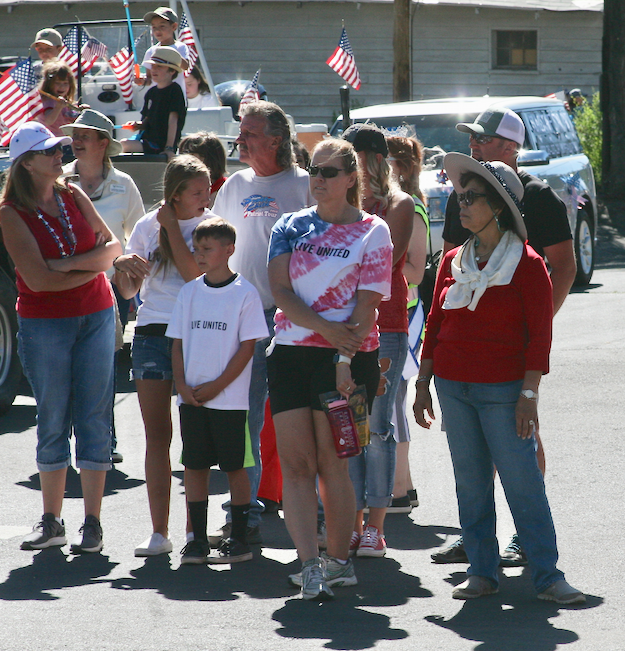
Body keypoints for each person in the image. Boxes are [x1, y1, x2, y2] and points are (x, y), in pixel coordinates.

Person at [413, 152, 585, 605]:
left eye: (471, 197)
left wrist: (530, 392)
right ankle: (482, 571)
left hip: (504, 391)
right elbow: (435, 323)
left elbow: (539, 336)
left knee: (522, 481)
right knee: (470, 483)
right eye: (459, 196)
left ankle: (548, 576)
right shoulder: (453, 258)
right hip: (454, 388)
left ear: (500, 206)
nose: (460, 204)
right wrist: (422, 383)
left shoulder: (528, 264)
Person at [267, 137, 393, 599]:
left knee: (332, 466)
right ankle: (309, 564)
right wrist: (324, 328)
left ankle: (340, 562)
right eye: (313, 171)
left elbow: (369, 304)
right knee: (297, 466)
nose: (318, 180)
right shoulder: (289, 225)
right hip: (292, 353)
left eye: (329, 172)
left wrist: (342, 356)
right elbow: (280, 291)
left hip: (347, 358)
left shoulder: (373, 230)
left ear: (351, 177)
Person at [0, 122, 121, 554]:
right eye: (49, 150)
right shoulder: (10, 213)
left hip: (97, 316)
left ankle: (92, 523)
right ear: (26, 163)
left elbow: (114, 247)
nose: (59, 153)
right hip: (45, 323)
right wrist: (91, 266)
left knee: (93, 417)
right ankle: (52, 521)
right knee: (52, 419)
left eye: (58, 148)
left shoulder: (71, 193)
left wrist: (67, 265)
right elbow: (38, 282)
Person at [209, 101, 311, 547]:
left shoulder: (307, 185)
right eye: (241, 132)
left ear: (275, 139)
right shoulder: (233, 185)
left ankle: (318, 515)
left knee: (303, 418)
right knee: (243, 419)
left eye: (249, 133)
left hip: (296, 320)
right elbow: (212, 246)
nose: (240, 139)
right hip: (243, 318)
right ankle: (243, 513)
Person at [113, 154, 213, 557]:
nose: (207, 197)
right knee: (157, 436)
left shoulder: (210, 225)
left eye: (207, 189)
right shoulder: (144, 226)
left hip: (198, 334)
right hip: (153, 331)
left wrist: (171, 226)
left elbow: (198, 279)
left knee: (195, 436)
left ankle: (195, 531)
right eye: (198, 191)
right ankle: (159, 531)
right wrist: (123, 265)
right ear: (175, 193)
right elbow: (127, 292)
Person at [167, 217, 268, 564]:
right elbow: (177, 343)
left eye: (207, 249)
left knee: (234, 468)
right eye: (197, 248)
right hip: (191, 399)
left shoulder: (246, 293)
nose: (200, 255)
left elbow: (247, 348)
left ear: (229, 251)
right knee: (194, 467)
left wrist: (218, 386)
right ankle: (196, 540)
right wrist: (182, 385)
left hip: (230, 402)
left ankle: (238, 539)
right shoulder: (189, 291)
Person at [341, 123, 414, 558]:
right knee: (347, 426)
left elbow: (388, 263)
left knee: (380, 427)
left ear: (370, 158)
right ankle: (350, 523)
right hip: (342, 324)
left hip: (385, 324)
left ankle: (376, 527)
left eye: (350, 155)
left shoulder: (398, 205)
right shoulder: (339, 205)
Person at [61, 109, 145, 463]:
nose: (76, 140)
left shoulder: (124, 185)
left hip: (108, 292)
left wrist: (135, 286)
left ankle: (103, 439)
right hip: (61, 288)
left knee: (103, 367)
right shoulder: (59, 181)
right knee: (62, 368)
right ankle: (62, 440)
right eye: (75, 134)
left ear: (103, 143)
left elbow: (140, 238)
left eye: (85, 134)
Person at [385, 135, 428, 512]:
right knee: (389, 400)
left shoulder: (410, 211)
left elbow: (415, 270)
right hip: (389, 312)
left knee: (396, 400)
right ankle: (401, 486)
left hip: (406, 315)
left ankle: (401, 489)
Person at [121, 46, 186, 158]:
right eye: (153, 66)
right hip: (147, 141)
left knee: (124, 145)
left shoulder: (174, 91)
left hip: (160, 146)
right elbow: (148, 120)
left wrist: (169, 148)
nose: (154, 70)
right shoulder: (151, 93)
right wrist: (138, 125)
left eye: (159, 66)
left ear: (172, 71)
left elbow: (173, 120)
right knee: (119, 144)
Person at [138, 6, 189, 100]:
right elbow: (149, 79)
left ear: (174, 26)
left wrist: (170, 53)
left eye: (162, 26)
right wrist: (141, 80)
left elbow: (186, 66)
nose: (157, 31)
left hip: (176, 97)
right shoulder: (151, 51)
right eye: (154, 27)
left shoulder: (180, 47)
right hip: (157, 98)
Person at [36, 60, 82, 159]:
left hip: (68, 143)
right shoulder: (48, 102)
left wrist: (81, 112)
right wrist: (58, 107)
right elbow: (48, 121)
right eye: (57, 83)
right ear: (49, 84)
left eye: (65, 83)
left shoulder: (67, 103)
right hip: (53, 143)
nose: (62, 87)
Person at [179, 131, 227, 208]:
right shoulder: (182, 187)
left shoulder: (225, 189)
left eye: (188, 153)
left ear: (208, 158)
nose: (182, 159)